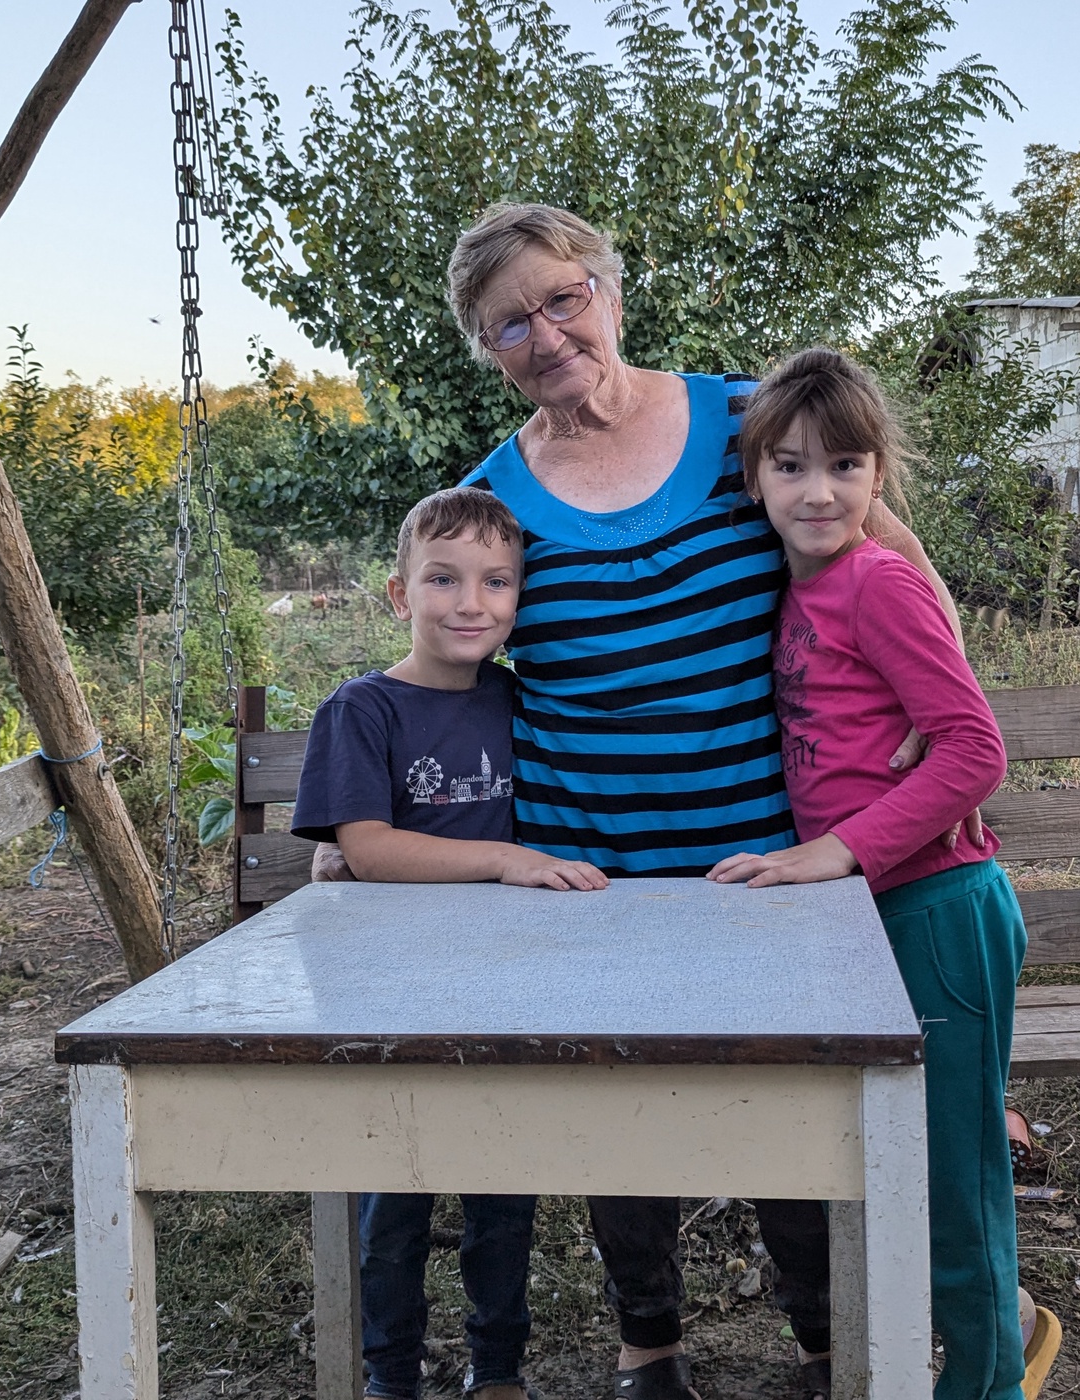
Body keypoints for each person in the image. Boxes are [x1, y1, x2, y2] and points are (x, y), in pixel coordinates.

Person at [318, 201, 979, 1400]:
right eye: (506, 323)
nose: (545, 332)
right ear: (486, 349)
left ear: (610, 289)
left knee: (789, 1107)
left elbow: (885, 554)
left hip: (762, 855)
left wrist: (939, 738)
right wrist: (362, 821)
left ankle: (827, 1342)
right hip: (590, 861)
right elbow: (442, 668)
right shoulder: (497, 496)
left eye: (560, 297)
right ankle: (647, 1346)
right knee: (618, 1116)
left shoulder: (750, 424)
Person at [707, 347, 1035, 1400]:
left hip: (939, 908)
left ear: (878, 476)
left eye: (844, 465)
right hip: (877, 916)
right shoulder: (801, 583)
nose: (817, 490)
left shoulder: (878, 581)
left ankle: (985, 1380)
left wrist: (837, 848)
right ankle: (978, 1343)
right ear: (752, 476)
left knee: (954, 1181)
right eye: (790, 466)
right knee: (901, 1166)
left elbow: (974, 750)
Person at [291, 486, 608, 1400]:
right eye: (444, 579)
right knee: (393, 1200)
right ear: (399, 595)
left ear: (519, 600)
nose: (471, 603)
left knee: (504, 1196)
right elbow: (367, 849)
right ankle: (390, 1374)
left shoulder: (518, 699)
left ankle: (497, 1369)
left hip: (505, 988)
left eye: (496, 583)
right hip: (391, 994)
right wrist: (506, 858)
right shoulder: (361, 711)